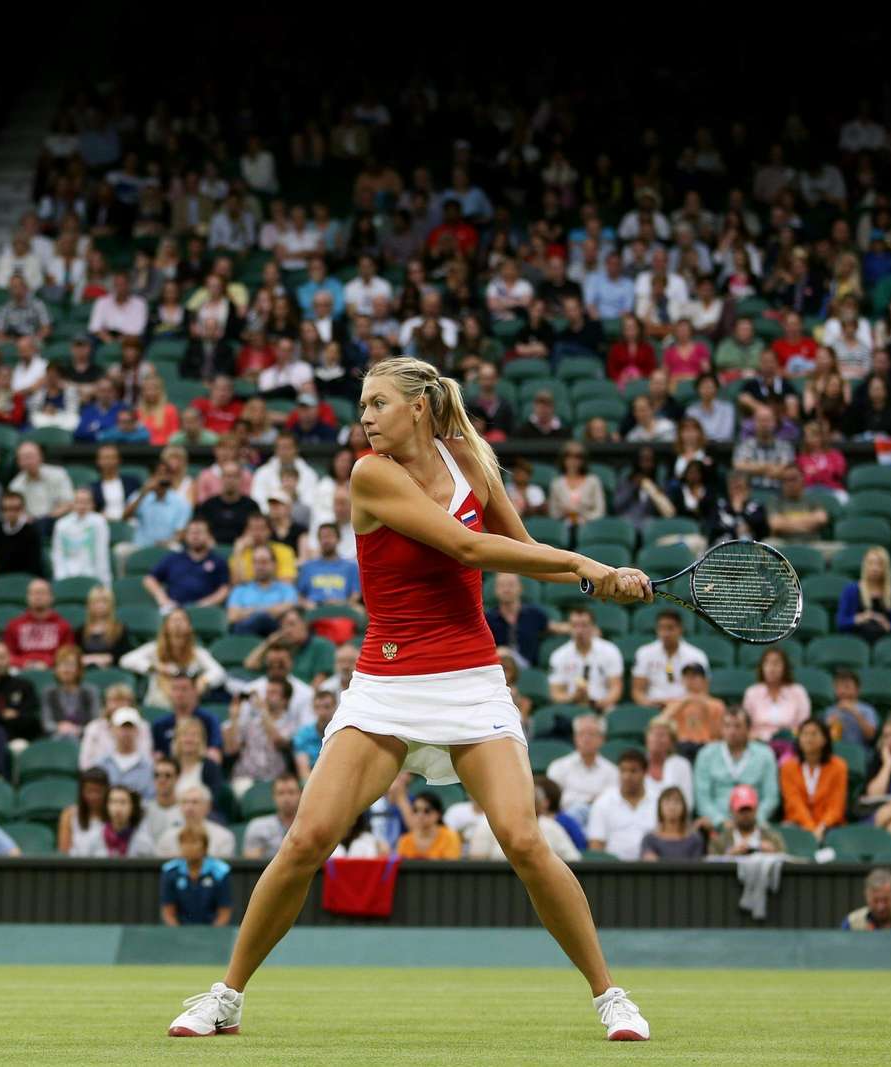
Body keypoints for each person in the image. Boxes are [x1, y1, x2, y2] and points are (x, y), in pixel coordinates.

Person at [165, 356, 652, 1039]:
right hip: (386, 686)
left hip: (471, 680)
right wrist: (584, 564)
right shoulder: (370, 474)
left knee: (524, 839)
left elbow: (519, 547)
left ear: (419, 406)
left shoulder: (472, 463)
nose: (364, 417)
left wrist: (599, 582)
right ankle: (225, 997)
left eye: (378, 403)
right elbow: (468, 548)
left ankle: (611, 997)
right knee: (306, 839)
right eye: (363, 405)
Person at [693, 709, 780, 826]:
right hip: (716, 824)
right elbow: (702, 798)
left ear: (749, 729)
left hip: (754, 822)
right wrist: (719, 821)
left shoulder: (765, 754)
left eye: (737, 726)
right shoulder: (706, 754)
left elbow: (771, 797)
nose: (732, 731)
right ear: (721, 729)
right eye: (727, 726)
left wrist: (756, 819)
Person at [779, 718, 848, 842]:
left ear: (825, 739)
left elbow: (836, 806)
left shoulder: (839, 766)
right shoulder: (788, 768)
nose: (808, 739)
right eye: (804, 734)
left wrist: (822, 827)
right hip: (799, 824)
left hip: (829, 826)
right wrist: (811, 829)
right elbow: (793, 803)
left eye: (814, 734)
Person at [547, 606, 624, 712]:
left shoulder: (610, 650)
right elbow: (555, 694)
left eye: (584, 625)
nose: (579, 631)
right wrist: (573, 697)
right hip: (571, 707)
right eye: (574, 626)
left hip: (602, 706)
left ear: (593, 627)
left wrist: (600, 703)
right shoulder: (559, 655)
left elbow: (616, 688)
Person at [583, 749, 657, 861]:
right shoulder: (603, 802)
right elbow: (596, 846)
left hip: (653, 868)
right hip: (613, 867)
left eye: (633, 771)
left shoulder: (658, 801)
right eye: (623, 771)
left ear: (645, 772)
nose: (627, 776)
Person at [630, 612, 710, 710]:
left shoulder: (696, 656)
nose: (665, 633)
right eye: (661, 628)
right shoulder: (644, 653)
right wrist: (648, 704)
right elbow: (637, 691)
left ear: (681, 629)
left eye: (670, 628)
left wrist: (681, 706)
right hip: (653, 706)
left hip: (685, 707)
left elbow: (703, 691)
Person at [161, 826, 233, 927]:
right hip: (180, 932)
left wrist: (213, 933)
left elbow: (224, 912)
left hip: (212, 932)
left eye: (194, 842)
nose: (188, 847)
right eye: (184, 842)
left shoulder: (220, 872)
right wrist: (178, 933)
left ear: (204, 847)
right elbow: (168, 913)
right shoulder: (170, 872)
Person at [2, 578, 76, 669]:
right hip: (21, 671)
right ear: (27, 598)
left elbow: (68, 655)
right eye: (34, 593)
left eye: (42, 593)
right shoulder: (14, 625)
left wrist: (47, 663)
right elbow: (8, 655)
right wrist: (24, 664)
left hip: (53, 671)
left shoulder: (63, 626)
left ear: (51, 597)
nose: (38, 597)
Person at [742, 648, 811, 742]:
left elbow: (804, 725)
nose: (771, 668)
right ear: (761, 667)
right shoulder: (752, 692)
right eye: (767, 663)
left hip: (790, 742)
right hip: (758, 743)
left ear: (785, 667)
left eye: (776, 663)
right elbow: (746, 726)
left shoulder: (798, 692)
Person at [711, 784, 785, 855]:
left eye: (749, 809)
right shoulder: (719, 842)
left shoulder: (773, 839)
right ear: (731, 810)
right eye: (741, 810)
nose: (746, 814)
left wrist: (774, 854)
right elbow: (712, 861)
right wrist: (729, 857)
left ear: (756, 809)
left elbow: (785, 859)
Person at [662, 665, 726, 747]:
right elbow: (662, 722)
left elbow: (719, 733)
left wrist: (703, 705)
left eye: (694, 676)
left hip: (707, 745)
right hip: (681, 745)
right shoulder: (675, 703)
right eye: (686, 676)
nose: (690, 679)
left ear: (704, 680)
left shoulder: (717, 704)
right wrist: (685, 702)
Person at [639, 787, 704, 861]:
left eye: (677, 802)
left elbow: (696, 864)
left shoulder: (694, 839)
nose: (672, 807)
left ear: (684, 807)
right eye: (667, 802)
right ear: (660, 807)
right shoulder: (649, 839)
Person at [394, 790, 462, 860]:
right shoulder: (404, 841)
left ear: (438, 814)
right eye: (415, 810)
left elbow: (451, 865)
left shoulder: (449, 837)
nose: (420, 815)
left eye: (427, 811)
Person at [58, 767, 111, 855]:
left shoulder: (114, 814)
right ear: (82, 791)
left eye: (98, 791)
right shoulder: (69, 814)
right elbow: (64, 853)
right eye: (89, 791)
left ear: (107, 791)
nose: (94, 796)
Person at [825, 670, 881, 750]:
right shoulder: (830, 710)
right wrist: (827, 726)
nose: (842, 691)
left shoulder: (867, 710)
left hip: (861, 751)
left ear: (857, 690)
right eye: (838, 687)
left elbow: (871, 736)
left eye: (847, 687)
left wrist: (855, 713)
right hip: (835, 751)